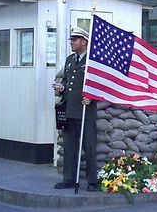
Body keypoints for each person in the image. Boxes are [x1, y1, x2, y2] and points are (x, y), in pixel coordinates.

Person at [53, 26, 98, 192]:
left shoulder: (93, 62)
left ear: (84, 42)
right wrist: (61, 87)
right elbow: (66, 80)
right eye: (71, 40)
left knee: (89, 147)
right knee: (69, 147)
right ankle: (69, 179)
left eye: (74, 40)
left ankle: (93, 181)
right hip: (70, 110)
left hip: (86, 111)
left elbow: (100, 85)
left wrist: (92, 96)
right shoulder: (70, 60)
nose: (71, 42)